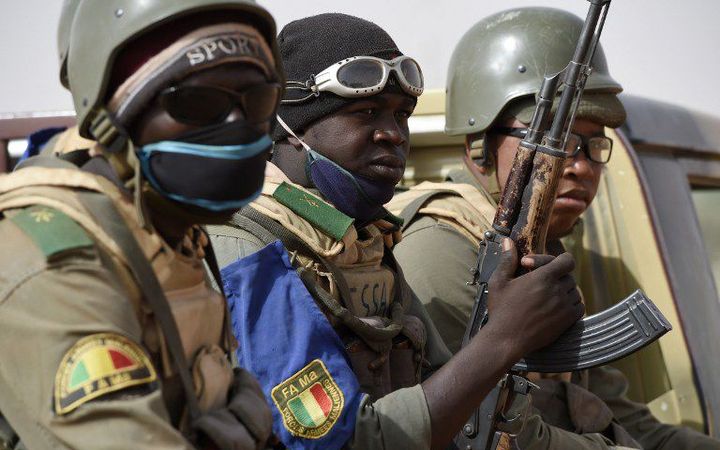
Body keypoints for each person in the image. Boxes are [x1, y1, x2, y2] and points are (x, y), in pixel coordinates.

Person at [207, 13, 584, 450]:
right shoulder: (248, 251)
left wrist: (508, 319)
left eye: (402, 114)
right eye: (366, 112)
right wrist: (503, 339)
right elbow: (336, 442)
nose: (393, 134)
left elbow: (455, 409)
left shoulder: (364, 243)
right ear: (292, 128)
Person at [389, 7, 720, 450]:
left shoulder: (540, 249)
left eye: (594, 143)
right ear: (477, 147)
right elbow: (489, 435)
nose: (579, 165)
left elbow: (618, 416)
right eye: (556, 141)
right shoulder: (442, 252)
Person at [0, 0, 285, 448]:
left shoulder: (171, 234)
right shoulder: (51, 262)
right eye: (198, 102)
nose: (238, 125)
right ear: (114, 118)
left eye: (258, 100)